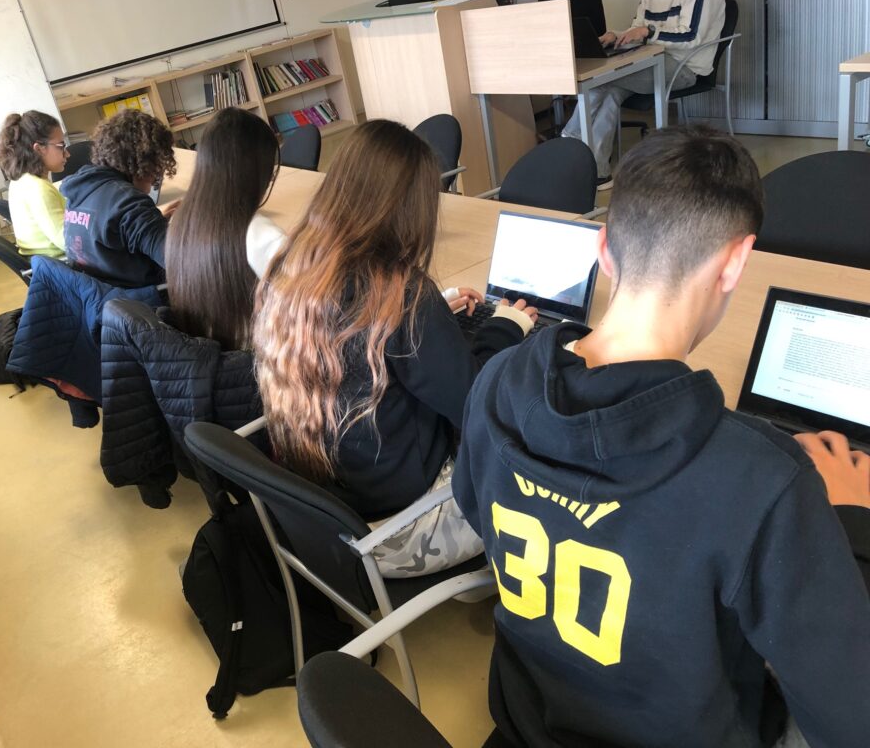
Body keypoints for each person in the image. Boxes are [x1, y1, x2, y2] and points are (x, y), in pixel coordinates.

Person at [453, 126, 870, 747]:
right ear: (736, 262)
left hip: (528, 720)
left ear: (604, 249)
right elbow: (853, 718)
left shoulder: (497, 379)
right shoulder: (762, 480)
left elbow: (474, 505)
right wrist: (852, 525)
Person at [252, 119, 537, 578]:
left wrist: (436, 315)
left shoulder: (293, 267)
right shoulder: (403, 296)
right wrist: (505, 328)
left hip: (324, 516)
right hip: (396, 532)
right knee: (536, 439)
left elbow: (356, 340)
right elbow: (478, 403)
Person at [563, 0, 726, 188]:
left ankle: (569, 139)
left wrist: (648, 33)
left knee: (601, 79)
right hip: (651, 57)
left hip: (685, 66)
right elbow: (637, 29)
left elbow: (691, 36)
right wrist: (618, 35)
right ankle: (599, 172)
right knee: (611, 90)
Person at [164, 107, 281, 347]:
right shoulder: (262, 236)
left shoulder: (179, 220)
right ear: (257, 173)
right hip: (259, 355)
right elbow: (308, 310)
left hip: (209, 354)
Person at [61, 110, 179, 287]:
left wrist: (154, 225)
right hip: (145, 298)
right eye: (158, 170)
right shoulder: (129, 203)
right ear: (147, 162)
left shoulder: (81, 191)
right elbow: (182, 264)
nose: (157, 178)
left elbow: (113, 235)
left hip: (101, 296)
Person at [0, 110, 69, 258]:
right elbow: (68, 243)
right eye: (61, 146)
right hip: (62, 263)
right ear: (39, 149)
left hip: (44, 261)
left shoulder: (21, 181)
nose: (67, 153)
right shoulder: (39, 190)